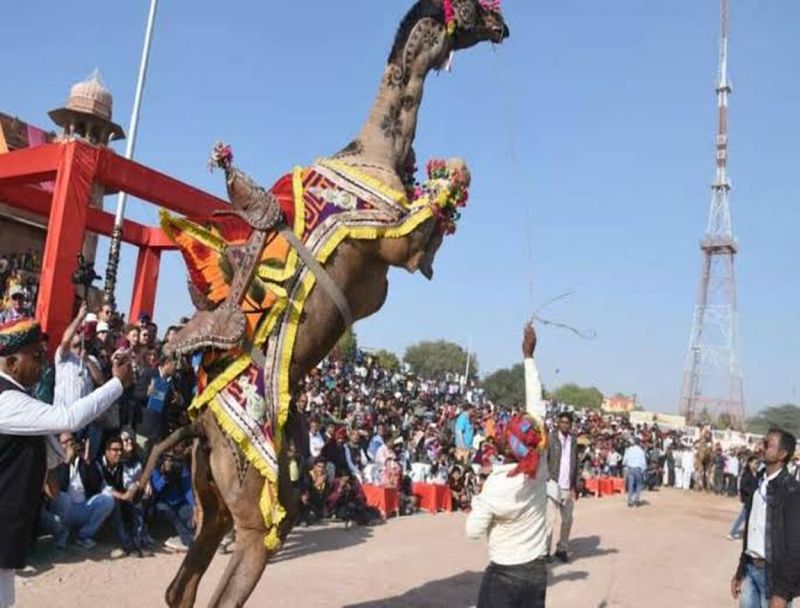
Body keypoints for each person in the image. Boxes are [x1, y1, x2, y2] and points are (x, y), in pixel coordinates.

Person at [0, 318, 133, 608]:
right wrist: (117, 384)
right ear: (11, 362)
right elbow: (69, 418)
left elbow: (51, 449)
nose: (43, 363)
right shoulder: (6, 400)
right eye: (36, 356)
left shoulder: (18, 397)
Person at [466, 323, 549, 608]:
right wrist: (529, 358)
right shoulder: (540, 468)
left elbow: (473, 531)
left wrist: (479, 498)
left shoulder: (497, 486)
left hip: (504, 575)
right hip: (537, 572)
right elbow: (537, 409)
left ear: (507, 446)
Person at [731, 429, 799, 608]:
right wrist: (740, 571)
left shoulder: (791, 491)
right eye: (762, 442)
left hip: (774, 579)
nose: (761, 447)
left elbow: (795, 545)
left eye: (768, 444)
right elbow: (751, 532)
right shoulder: (759, 483)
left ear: (782, 454)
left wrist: (782, 593)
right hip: (751, 572)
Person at [546, 410, 578, 563]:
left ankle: (562, 549)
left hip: (567, 486)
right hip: (553, 484)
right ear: (558, 423)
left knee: (567, 520)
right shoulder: (551, 438)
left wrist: (575, 485)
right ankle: (545, 552)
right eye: (562, 422)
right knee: (549, 521)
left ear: (571, 425)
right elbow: (546, 460)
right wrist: (546, 480)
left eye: (567, 422)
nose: (564, 425)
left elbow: (575, 463)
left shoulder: (573, 440)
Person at [729, 455, 759, 540]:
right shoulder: (747, 474)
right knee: (743, 516)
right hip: (747, 499)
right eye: (755, 463)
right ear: (750, 463)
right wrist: (752, 493)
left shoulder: (756, 474)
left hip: (753, 499)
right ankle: (733, 532)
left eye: (757, 463)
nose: (756, 465)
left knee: (750, 517)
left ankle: (749, 534)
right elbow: (743, 486)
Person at [623, 437, 647, 507]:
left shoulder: (629, 450)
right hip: (638, 468)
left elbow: (625, 461)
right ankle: (636, 500)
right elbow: (643, 462)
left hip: (630, 468)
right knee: (639, 484)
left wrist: (627, 466)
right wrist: (643, 470)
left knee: (631, 484)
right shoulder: (641, 451)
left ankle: (630, 501)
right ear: (639, 443)